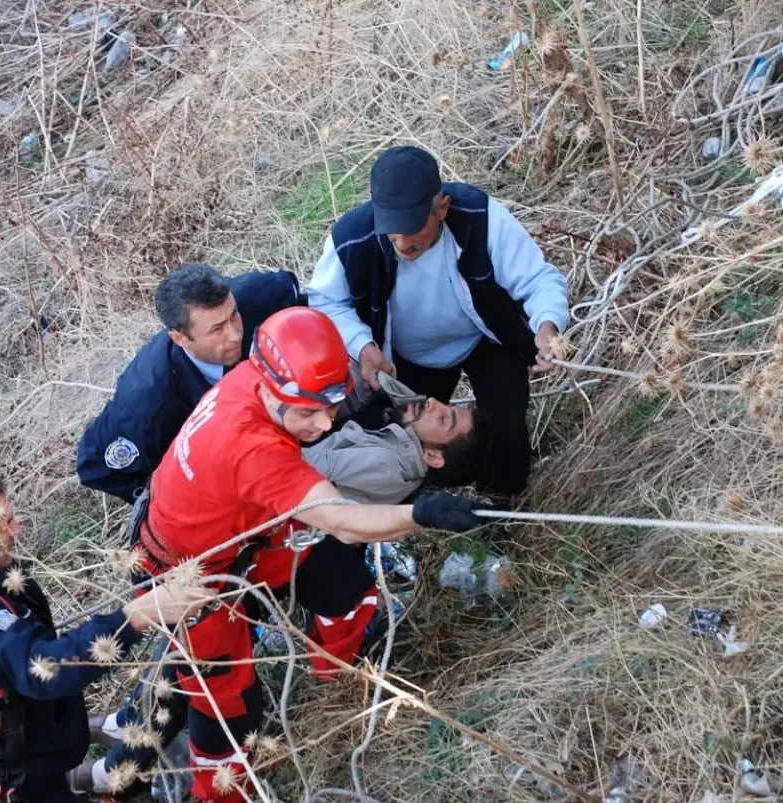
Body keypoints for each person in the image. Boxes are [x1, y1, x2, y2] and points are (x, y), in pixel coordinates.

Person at [113, 306, 482, 802]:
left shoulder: (254, 373)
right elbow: (343, 523)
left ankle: (334, 673)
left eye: (331, 405)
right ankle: (196, 788)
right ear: (274, 391)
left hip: (244, 539)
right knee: (231, 711)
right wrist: (420, 515)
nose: (325, 422)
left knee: (344, 586)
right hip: (191, 576)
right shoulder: (253, 451)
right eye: (309, 411)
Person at [0, 472, 207, 802]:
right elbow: (47, 670)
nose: (17, 530)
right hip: (8, 757)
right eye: (4, 525)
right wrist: (139, 615)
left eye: (11, 517)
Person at [307, 145, 571, 497]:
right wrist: (363, 345)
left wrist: (547, 326)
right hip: (404, 356)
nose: (401, 243)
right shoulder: (352, 238)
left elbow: (539, 280)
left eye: (413, 228)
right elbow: (325, 302)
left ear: (442, 208)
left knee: (506, 429)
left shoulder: (481, 218)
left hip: (487, 338)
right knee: (410, 445)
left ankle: (501, 501)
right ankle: (423, 510)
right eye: (391, 230)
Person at [78, 263, 301, 504]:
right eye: (217, 329)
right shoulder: (149, 404)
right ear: (180, 338)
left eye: (233, 315)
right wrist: (180, 495)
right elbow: (97, 469)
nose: (236, 334)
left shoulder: (264, 296)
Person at [303, 375, 492, 505]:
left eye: (443, 420)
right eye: (446, 407)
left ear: (433, 457)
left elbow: (295, 466)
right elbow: (383, 379)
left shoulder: (384, 464)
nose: (432, 402)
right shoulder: (407, 433)